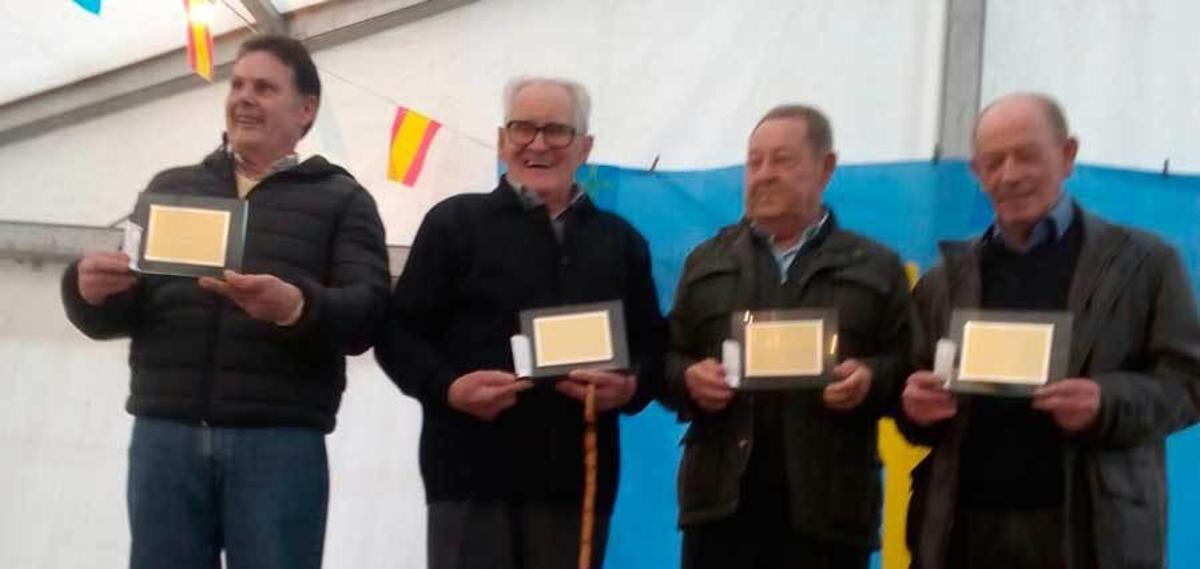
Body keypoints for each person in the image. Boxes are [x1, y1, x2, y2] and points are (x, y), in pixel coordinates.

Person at [61, 34, 390, 569]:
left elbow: (367, 316)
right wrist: (87, 291)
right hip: (165, 437)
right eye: (237, 85)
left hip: (278, 443)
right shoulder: (173, 187)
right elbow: (124, 310)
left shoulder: (342, 201)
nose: (244, 98)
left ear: (306, 110)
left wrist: (294, 307)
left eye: (264, 88)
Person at [374, 76, 665, 569]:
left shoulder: (620, 241)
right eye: (523, 128)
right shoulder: (453, 223)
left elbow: (653, 347)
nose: (538, 144)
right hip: (468, 479)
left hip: (575, 486)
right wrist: (449, 388)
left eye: (556, 130)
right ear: (502, 139)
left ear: (585, 147)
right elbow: (397, 334)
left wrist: (631, 386)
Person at [899, 93, 1200, 569]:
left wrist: (1106, 403)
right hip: (963, 533)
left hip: (1092, 534)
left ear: (1067, 155)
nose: (1010, 175)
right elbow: (913, 389)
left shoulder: (1145, 264)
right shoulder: (943, 280)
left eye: (1027, 156)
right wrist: (915, 407)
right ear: (976, 173)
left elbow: (1189, 383)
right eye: (993, 162)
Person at [662, 104, 913, 568]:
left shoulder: (876, 267)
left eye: (782, 160)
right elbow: (667, 358)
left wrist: (871, 378)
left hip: (830, 514)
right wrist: (688, 378)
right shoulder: (706, 261)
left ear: (826, 168)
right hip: (721, 513)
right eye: (754, 162)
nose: (764, 175)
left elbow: (908, 366)